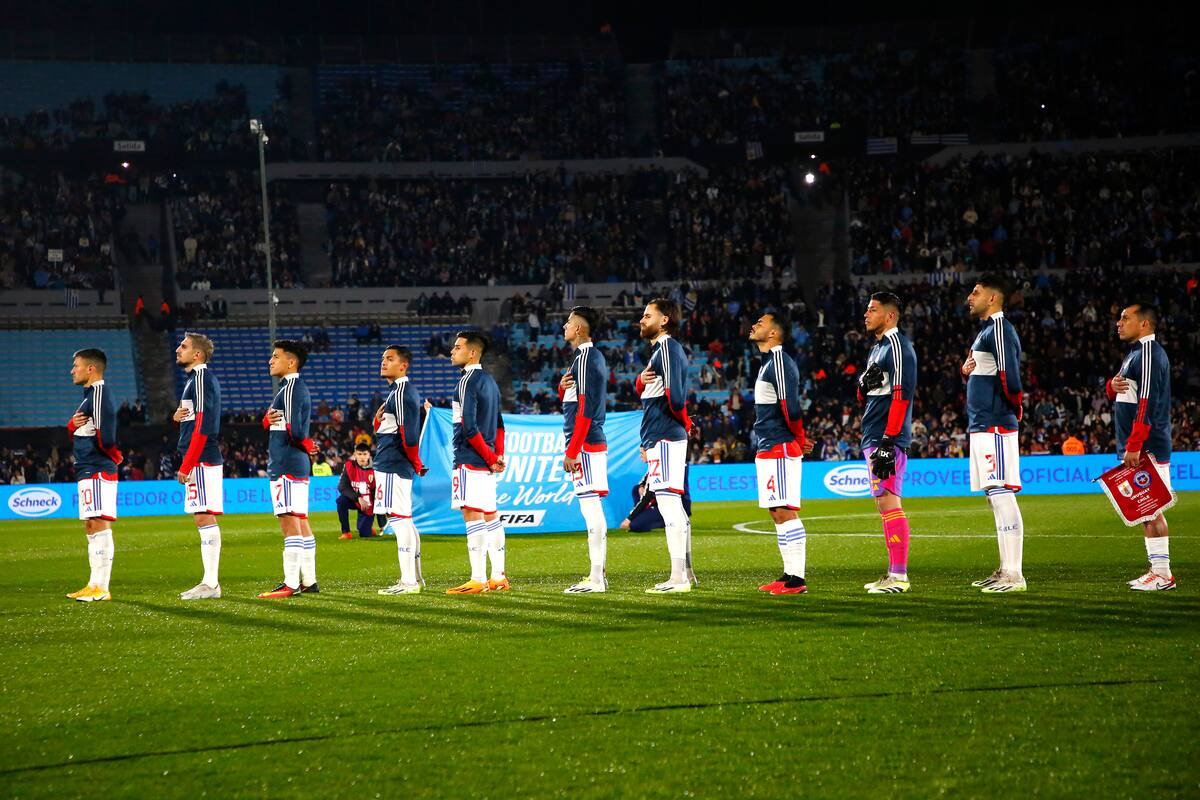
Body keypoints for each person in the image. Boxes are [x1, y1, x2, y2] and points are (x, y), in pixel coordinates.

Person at [962, 274, 1027, 593]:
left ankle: (1015, 574)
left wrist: (1014, 407)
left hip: (995, 423)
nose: (969, 298)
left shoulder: (1000, 328)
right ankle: (1005, 569)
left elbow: (1010, 376)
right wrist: (968, 372)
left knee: (1001, 493)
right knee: (994, 495)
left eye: (975, 292)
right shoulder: (987, 332)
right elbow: (990, 372)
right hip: (982, 423)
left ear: (993, 298)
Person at [1108, 303, 1175, 591]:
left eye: (1125, 318)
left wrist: (1135, 445)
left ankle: (1163, 574)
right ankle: (1156, 570)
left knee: (1153, 509)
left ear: (1144, 324)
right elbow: (1125, 392)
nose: (1119, 323)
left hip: (1147, 446)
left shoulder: (1148, 353)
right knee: (1146, 511)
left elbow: (1146, 403)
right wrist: (1111, 385)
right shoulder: (1135, 354)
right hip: (1138, 445)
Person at [747, 311, 813, 596]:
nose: (754, 326)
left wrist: (798, 438)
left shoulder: (779, 362)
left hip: (780, 446)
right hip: (768, 445)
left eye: (760, 323)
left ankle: (798, 580)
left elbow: (791, 406)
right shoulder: (767, 363)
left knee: (786, 511)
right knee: (776, 512)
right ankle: (788, 574)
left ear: (774, 333)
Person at [857, 292, 918, 594]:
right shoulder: (876, 350)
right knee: (884, 502)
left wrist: (887, 441)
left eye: (873, 310)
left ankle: (899, 576)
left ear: (890, 316)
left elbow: (901, 395)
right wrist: (861, 385)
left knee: (889, 501)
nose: (866, 314)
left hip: (886, 437)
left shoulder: (897, 347)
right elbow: (866, 394)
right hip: (873, 434)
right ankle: (893, 574)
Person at [637, 298, 695, 594]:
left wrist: (681, 423)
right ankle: (686, 572)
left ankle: (679, 578)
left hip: (665, 436)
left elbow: (674, 398)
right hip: (659, 436)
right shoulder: (659, 351)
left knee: (668, 504)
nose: (642, 320)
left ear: (664, 320)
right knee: (671, 505)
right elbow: (654, 393)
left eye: (648, 315)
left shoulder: (669, 349)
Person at [446, 330, 508, 595]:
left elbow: (469, 428)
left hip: (470, 458)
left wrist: (491, 458)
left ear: (472, 352)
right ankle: (498, 576)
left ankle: (477, 579)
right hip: (487, 460)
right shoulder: (490, 381)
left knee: (472, 514)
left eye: (458, 347)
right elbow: (499, 425)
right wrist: (497, 457)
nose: (452, 351)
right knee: (491, 516)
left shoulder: (466, 381)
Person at [257, 340, 318, 599]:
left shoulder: (290, 389)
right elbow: (280, 422)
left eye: (275, 356)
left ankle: (290, 583)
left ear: (290, 362)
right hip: (297, 464)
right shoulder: (291, 389)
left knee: (288, 522)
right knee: (301, 521)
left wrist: (305, 442)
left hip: (285, 464)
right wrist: (266, 420)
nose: (271, 361)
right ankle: (309, 579)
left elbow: (295, 430)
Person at [558, 306, 610, 594]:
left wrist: (573, 449)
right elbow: (572, 403)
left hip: (586, 444)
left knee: (590, 509)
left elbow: (587, 409)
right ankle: (598, 574)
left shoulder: (587, 357)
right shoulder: (580, 359)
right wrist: (560, 386)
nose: (564, 326)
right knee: (589, 507)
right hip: (587, 442)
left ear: (579, 328)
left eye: (568, 322)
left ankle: (596, 578)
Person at [65, 348, 123, 602]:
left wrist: (112, 455)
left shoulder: (99, 392)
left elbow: (106, 435)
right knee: (91, 524)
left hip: (97, 467)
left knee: (99, 522)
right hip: (88, 467)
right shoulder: (89, 396)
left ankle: (102, 587)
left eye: (76, 365)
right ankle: (93, 583)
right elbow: (83, 427)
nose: (72, 370)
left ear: (91, 368)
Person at [373, 345, 428, 595]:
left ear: (403, 365)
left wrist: (415, 462)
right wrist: (377, 421)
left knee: (399, 519)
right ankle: (414, 578)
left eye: (390, 359)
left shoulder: (402, 392)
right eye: (384, 358)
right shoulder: (396, 392)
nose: (384, 362)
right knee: (404, 519)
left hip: (392, 463)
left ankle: (408, 582)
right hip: (394, 462)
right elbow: (393, 429)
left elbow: (409, 435)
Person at [173, 332, 224, 600]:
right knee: (200, 516)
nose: (178, 349)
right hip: (198, 457)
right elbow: (194, 420)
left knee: (204, 515)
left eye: (184, 346)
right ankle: (209, 582)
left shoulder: (201, 378)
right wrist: (177, 417)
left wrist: (188, 462)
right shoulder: (194, 380)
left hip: (201, 458)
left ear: (197, 354)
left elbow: (204, 424)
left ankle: (211, 583)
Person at [621, 471, 692, 532]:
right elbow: (645, 482)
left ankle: (671, 521)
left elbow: (646, 499)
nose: (640, 456)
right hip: (658, 504)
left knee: (634, 525)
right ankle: (644, 516)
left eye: (642, 454)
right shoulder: (653, 466)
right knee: (636, 489)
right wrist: (641, 485)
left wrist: (629, 518)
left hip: (668, 506)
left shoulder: (659, 469)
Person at [337, 443, 377, 540]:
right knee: (341, 501)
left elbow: (378, 494)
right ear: (355, 455)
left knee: (364, 534)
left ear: (369, 455)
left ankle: (368, 529)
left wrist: (382, 521)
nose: (362, 457)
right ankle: (346, 532)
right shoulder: (349, 466)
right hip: (355, 499)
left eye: (364, 454)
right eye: (359, 454)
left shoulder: (376, 469)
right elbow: (342, 486)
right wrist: (358, 498)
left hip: (369, 503)